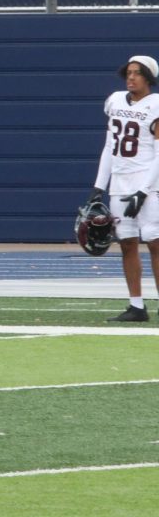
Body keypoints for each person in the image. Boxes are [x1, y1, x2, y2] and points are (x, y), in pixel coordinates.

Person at [86, 55, 159, 322]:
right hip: (119, 182)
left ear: (148, 78)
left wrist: (143, 190)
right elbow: (109, 147)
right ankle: (136, 306)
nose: (131, 77)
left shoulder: (156, 105)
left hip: (148, 183)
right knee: (127, 243)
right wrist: (98, 186)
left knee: (155, 243)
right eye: (128, 72)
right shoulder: (115, 101)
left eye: (137, 73)